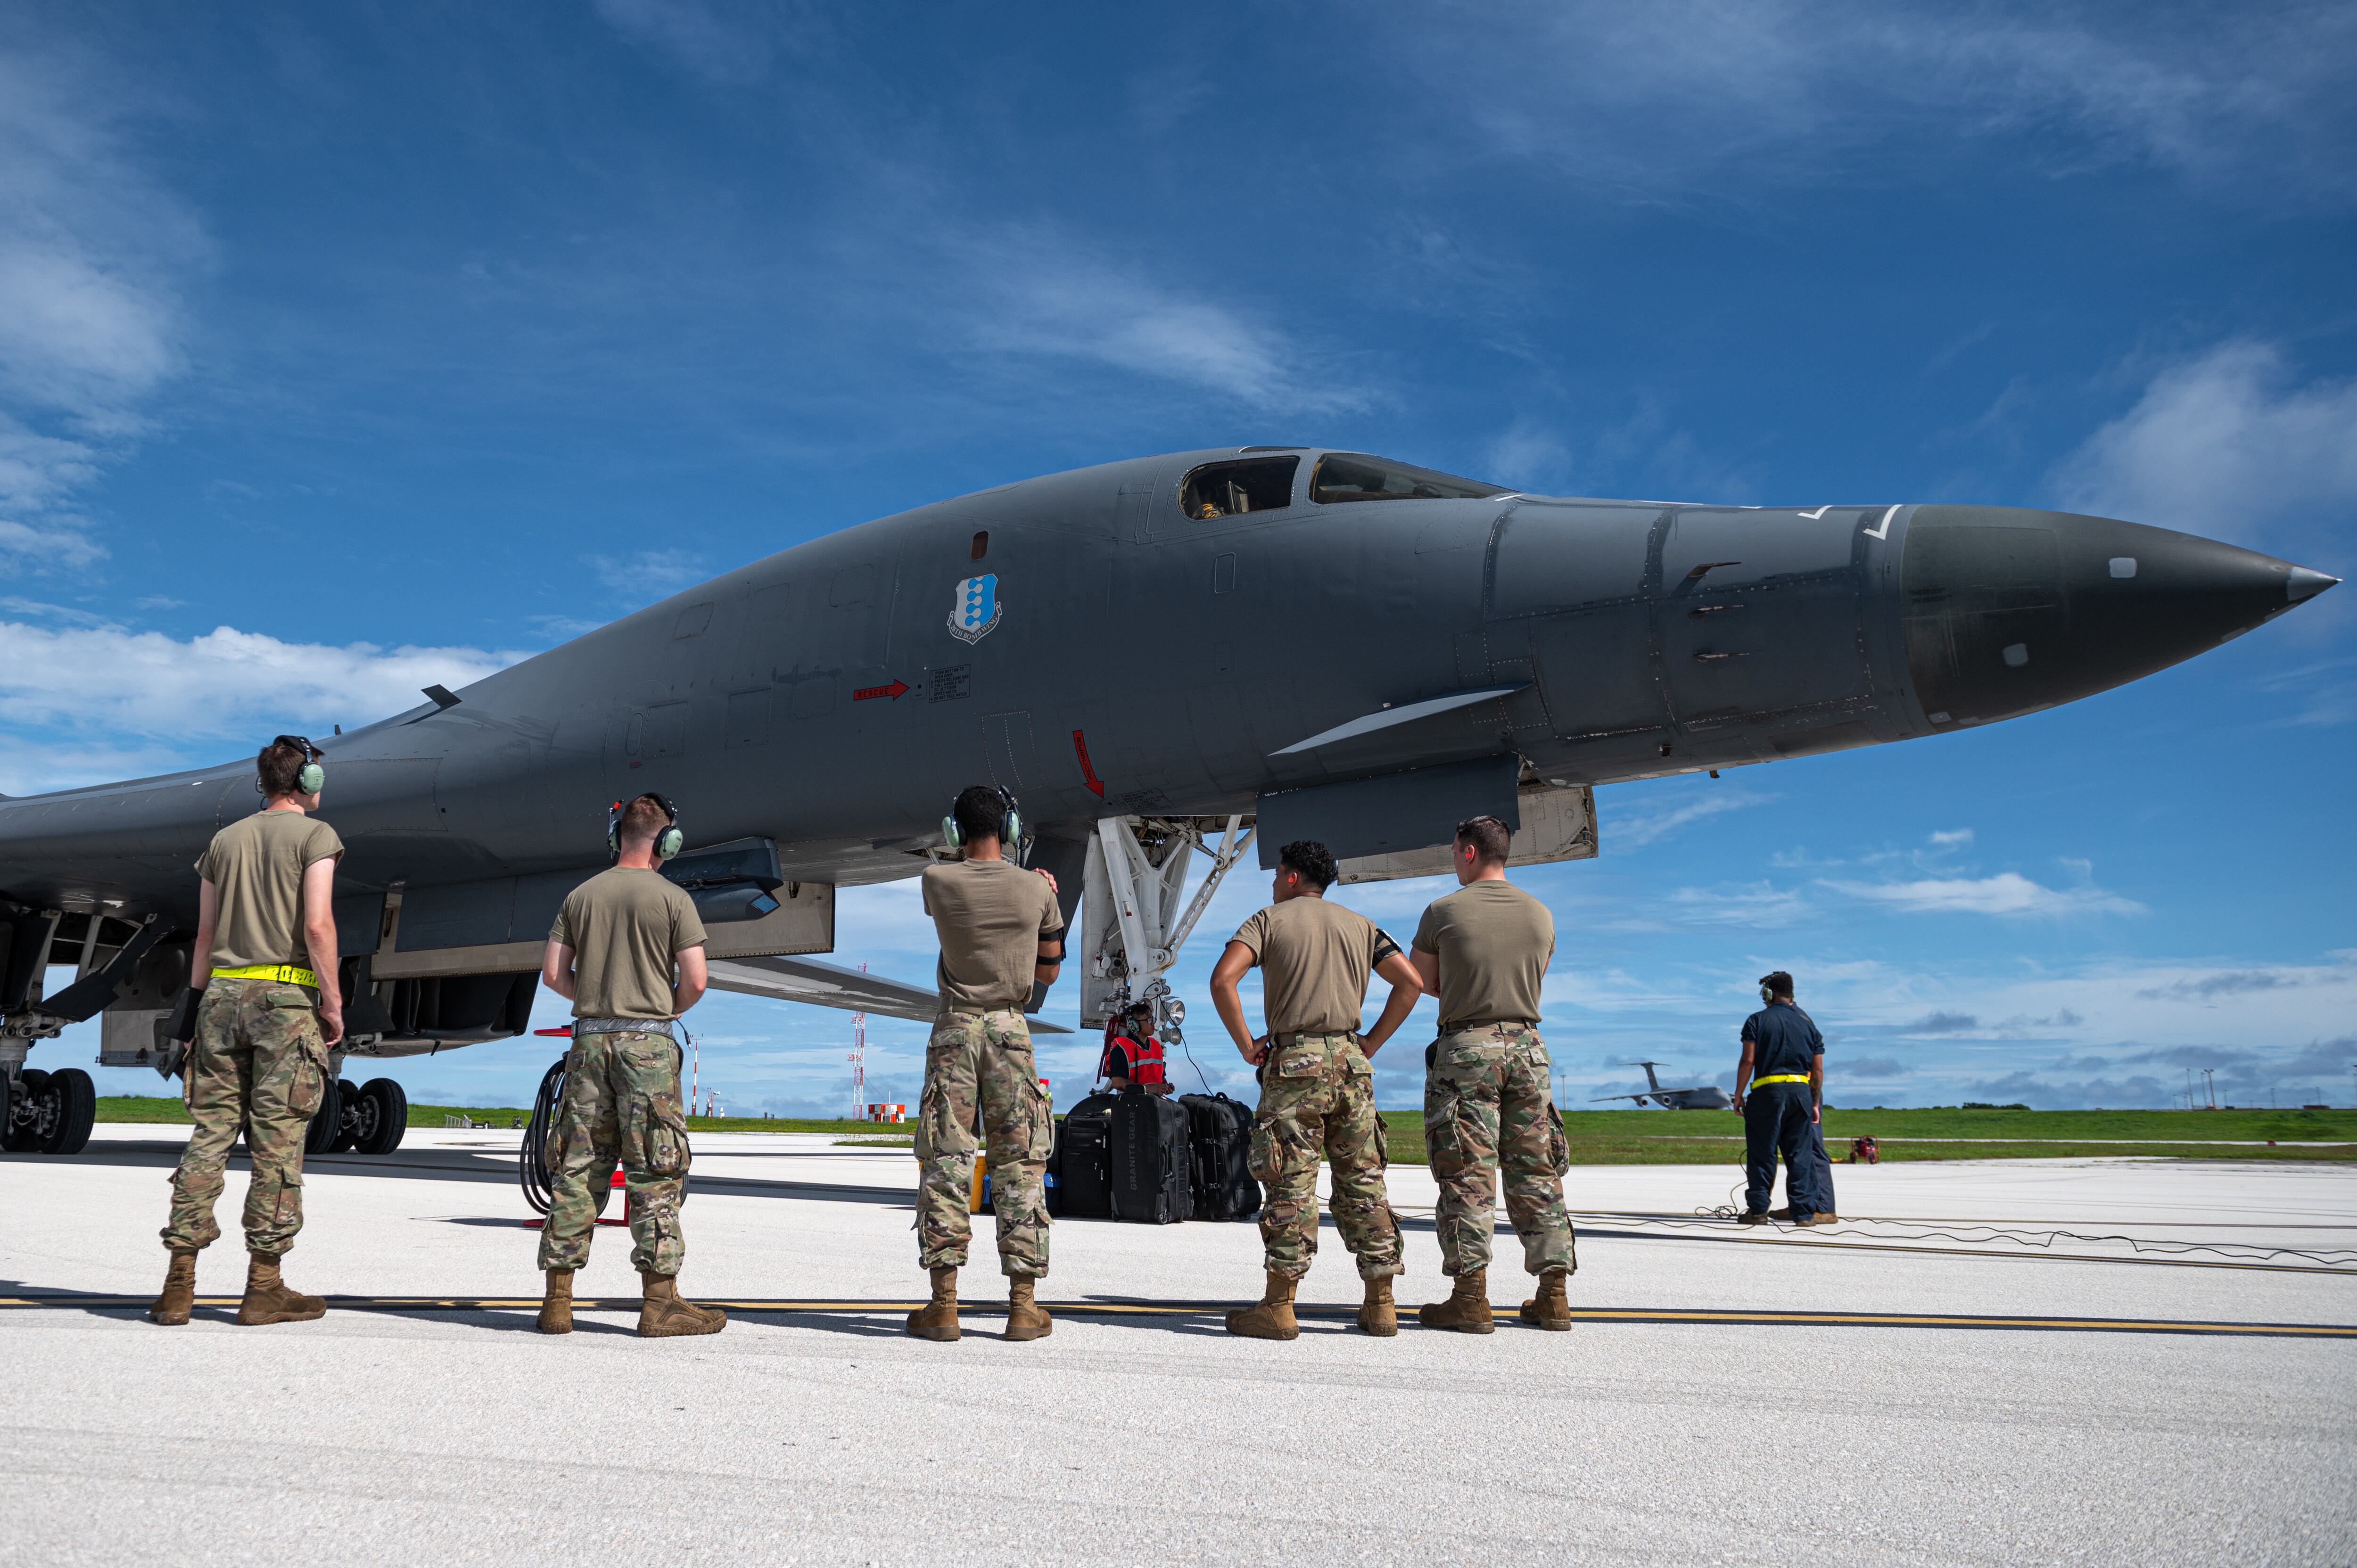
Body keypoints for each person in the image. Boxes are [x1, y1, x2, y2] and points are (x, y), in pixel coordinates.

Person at [150, 736, 346, 1327]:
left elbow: (204, 939)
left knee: (209, 1137)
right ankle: (264, 1288)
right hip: (285, 1001)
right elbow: (317, 927)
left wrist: (195, 1011)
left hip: (222, 997)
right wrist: (333, 1003)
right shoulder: (318, 837)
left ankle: (177, 1285)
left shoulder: (224, 841)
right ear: (308, 781)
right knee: (277, 1144)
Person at [1208, 838, 1422, 1339]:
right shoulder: (1360, 926)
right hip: (1351, 1065)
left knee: (1290, 1184)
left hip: (1294, 1064)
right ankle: (1381, 1304)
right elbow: (1410, 983)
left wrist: (1246, 1045)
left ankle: (1279, 1307)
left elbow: (1223, 980)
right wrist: (1369, 1042)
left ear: (1288, 877)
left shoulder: (1266, 921)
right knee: (1363, 1181)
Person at [535, 793, 724, 1337]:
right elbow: (696, 980)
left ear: (616, 836)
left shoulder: (579, 896)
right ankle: (660, 1303)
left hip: (589, 1043)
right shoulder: (672, 899)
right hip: (647, 1046)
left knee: (578, 1168)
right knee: (655, 1170)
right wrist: (658, 1007)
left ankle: (557, 1302)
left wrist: (596, 1000)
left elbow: (552, 975)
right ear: (668, 842)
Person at [906, 785, 1063, 1344]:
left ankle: (943, 1306)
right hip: (1009, 1030)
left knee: (947, 1161)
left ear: (954, 831)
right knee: (1019, 1164)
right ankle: (1023, 1307)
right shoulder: (1036, 890)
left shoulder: (935, 880)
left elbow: (954, 887)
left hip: (954, 1028)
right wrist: (1045, 898)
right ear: (1012, 830)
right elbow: (1048, 973)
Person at [1408, 815, 1576, 1334]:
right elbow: (1535, 975)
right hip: (1528, 1048)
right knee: (1537, 1174)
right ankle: (1553, 1296)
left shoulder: (1442, 911)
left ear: (1467, 852)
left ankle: (1469, 1298)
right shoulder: (1540, 915)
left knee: (1467, 1175)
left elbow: (1424, 981)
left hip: (1467, 1048)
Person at [1730, 971, 1835, 1226]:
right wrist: (1814, 1103)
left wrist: (1739, 1095)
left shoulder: (1757, 1020)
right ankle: (1803, 1214)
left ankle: (1758, 1211)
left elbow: (1748, 1060)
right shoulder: (1809, 1025)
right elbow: (1818, 1070)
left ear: (1768, 993)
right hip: (1801, 1094)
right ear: (1792, 994)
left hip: (1768, 1094)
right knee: (1800, 1155)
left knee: (1762, 1153)